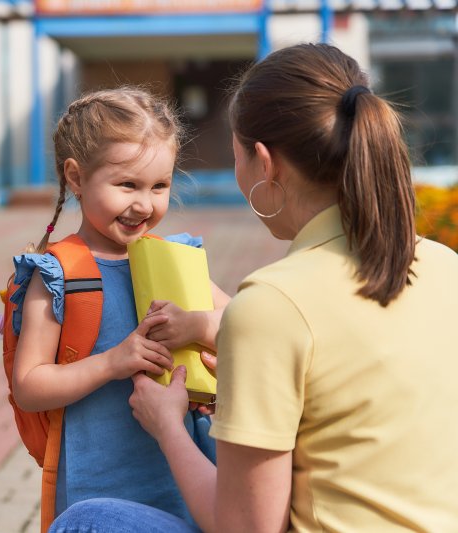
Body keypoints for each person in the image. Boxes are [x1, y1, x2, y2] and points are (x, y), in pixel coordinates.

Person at [49, 43, 458, 532]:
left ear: (264, 163)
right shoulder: (443, 265)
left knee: (89, 520)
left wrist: (168, 427)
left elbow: (245, 528)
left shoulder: (274, 303)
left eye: (236, 152)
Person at [11, 87, 229, 531]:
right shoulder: (58, 275)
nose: (144, 204)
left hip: (184, 486)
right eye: (127, 184)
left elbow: (247, 324)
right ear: (75, 177)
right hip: (98, 496)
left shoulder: (175, 260)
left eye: (160, 186)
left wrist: (197, 324)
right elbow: (30, 385)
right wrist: (114, 361)